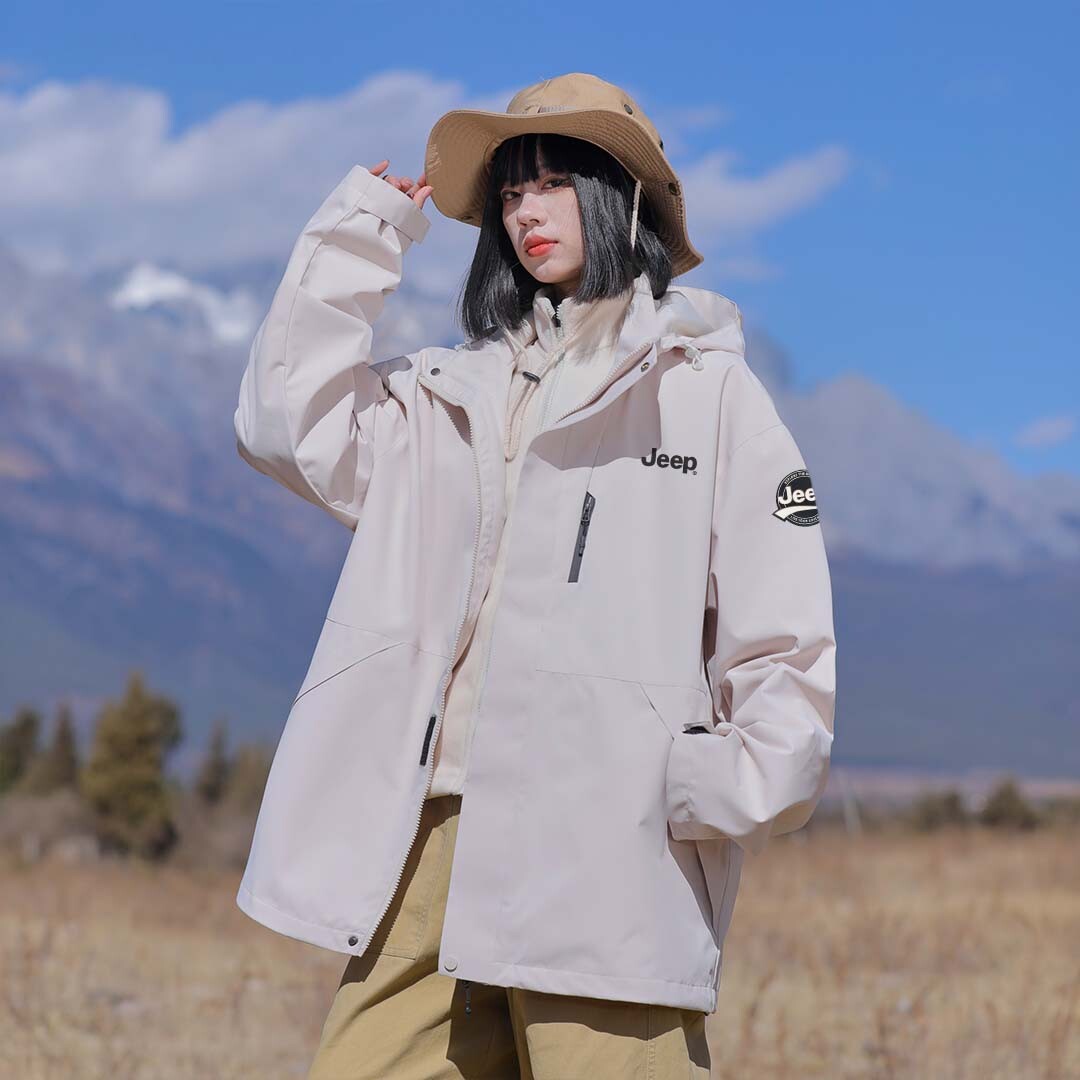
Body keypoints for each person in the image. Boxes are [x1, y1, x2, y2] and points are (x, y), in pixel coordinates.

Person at [232, 72, 837, 1078]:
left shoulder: (711, 397)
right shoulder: (446, 395)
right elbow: (285, 427)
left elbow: (782, 633)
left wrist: (706, 787)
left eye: (553, 183)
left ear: (618, 197)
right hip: (431, 842)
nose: (524, 212)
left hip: (612, 851)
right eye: (511, 192)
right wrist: (359, 238)